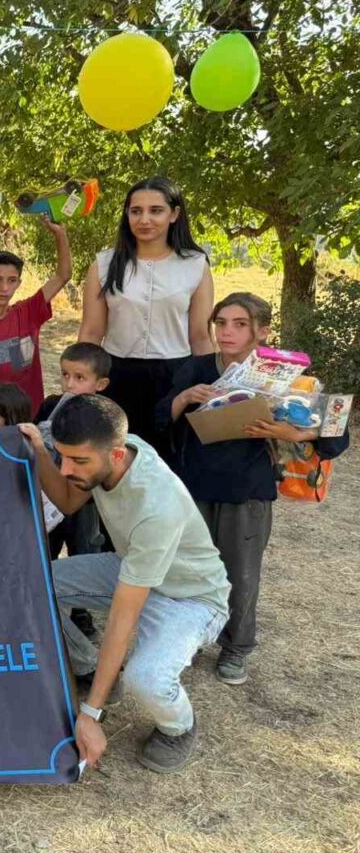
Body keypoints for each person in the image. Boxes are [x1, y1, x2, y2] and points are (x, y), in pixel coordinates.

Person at [19, 395, 230, 774]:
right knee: (28, 583)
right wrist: (38, 450)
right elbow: (67, 501)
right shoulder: (107, 451)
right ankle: (89, 669)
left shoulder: (156, 507)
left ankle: (179, 727)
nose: (66, 469)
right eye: (62, 456)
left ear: (116, 456)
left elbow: (121, 619)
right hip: (134, 565)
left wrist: (89, 714)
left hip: (190, 598)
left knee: (146, 679)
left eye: (77, 461)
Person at [156, 293, 350, 686]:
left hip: (248, 488)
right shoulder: (196, 368)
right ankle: (185, 641)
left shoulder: (288, 378)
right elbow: (160, 419)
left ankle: (236, 647)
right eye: (221, 323)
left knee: (240, 574)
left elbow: (334, 434)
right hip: (193, 484)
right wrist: (184, 397)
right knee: (184, 570)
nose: (226, 332)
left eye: (239, 324)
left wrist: (292, 431)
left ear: (262, 331)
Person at [77, 177, 214, 453]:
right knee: (116, 458)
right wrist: (79, 379)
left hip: (176, 377)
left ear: (174, 214)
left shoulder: (195, 265)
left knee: (170, 461)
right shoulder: (104, 263)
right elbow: (91, 331)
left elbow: (200, 336)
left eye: (156, 210)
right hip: (116, 375)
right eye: (136, 211)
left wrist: (213, 386)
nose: (144, 219)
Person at [36, 342, 114, 640]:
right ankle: (48, 606)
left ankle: (82, 613)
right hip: (49, 493)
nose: (70, 384)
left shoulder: (105, 415)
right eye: (65, 375)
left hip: (86, 498)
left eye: (80, 378)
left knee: (85, 545)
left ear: (100, 384)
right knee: (48, 547)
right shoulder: (50, 405)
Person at [0, 221, 72, 417]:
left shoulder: (28, 312)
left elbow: (63, 275)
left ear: (18, 283)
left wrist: (60, 235)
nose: (4, 288)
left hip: (28, 415)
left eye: (11, 280)